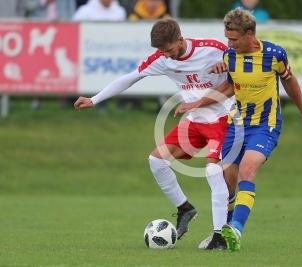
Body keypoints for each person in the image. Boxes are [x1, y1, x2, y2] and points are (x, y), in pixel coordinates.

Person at [74, 19, 233, 250]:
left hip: (223, 117)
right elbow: (130, 77)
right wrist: (94, 99)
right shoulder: (162, 58)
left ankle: (219, 236)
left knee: (212, 171)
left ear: (180, 40)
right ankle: (185, 209)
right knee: (157, 161)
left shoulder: (213, 48)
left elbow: (244, 63)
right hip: (195, 121)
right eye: (161, 51)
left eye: (168, 50)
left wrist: (227, 66)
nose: (166, 56)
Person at [174, 7, 302, 251]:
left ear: (249, 34)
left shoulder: (274, 55)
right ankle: (223, 237)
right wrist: (200, 102)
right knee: (227, 184)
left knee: (247, 170)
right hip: (236, 126)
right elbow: (230, 87)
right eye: (227, 38)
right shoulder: (230, 56)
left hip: (265, 125)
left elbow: (289, 80)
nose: (229, 43)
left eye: (233, 39)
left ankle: (236, 231)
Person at [73, 0, 126, 113]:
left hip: (114, 51)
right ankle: (99, 103)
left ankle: (120, 104)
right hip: (90, 52)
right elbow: (73, 28)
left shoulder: (120, 11)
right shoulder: (84, 11)